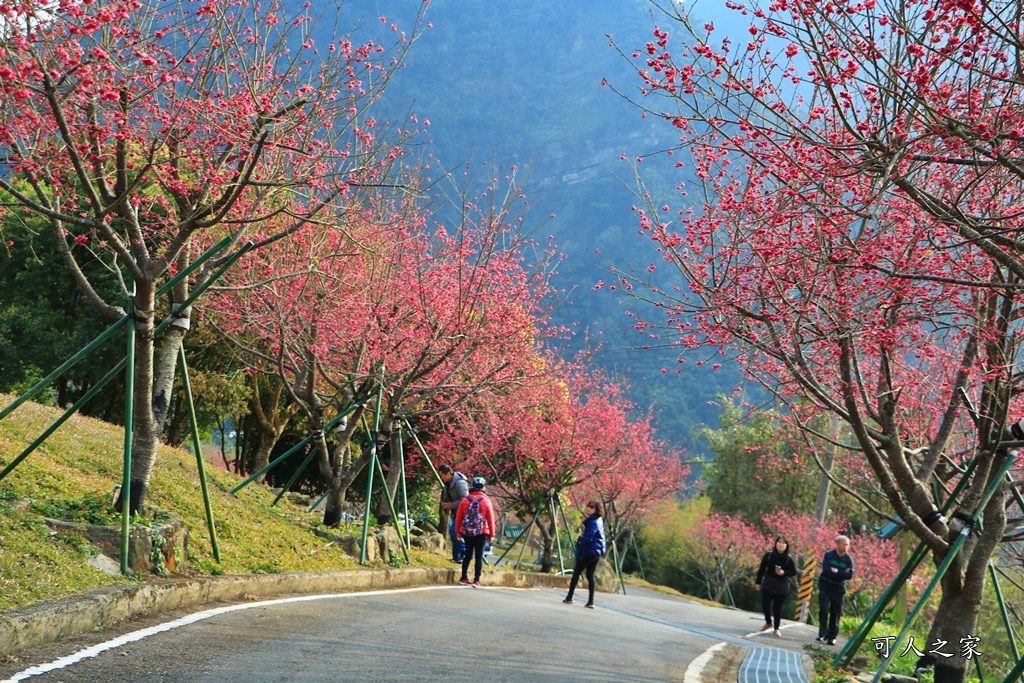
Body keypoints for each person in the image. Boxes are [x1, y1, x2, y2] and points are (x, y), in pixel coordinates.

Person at [563, 500, 606, 609]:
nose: (588, 508)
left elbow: (588, 538)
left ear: (596, 509)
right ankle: (591, 601)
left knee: (577, 572)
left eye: (591, 507)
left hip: (589, 551)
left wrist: (580, 538)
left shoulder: (592, 522)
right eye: (588, 506)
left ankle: (569, 597)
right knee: (590, 575)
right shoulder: (598, 520)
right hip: (596, 552)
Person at [456, 477, 497, 587]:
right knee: (479, 556)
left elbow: (459, 517)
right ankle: (476, 580)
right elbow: (490, 519)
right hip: (481, 532)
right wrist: (491, 534)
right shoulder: (486, 501)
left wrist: (458, 532)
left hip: (467, 532)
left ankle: (463, 577)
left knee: (468, 554)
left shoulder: (465, 500)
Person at [755, 536, 797, 636]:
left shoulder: (789, 558)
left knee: (777, 607)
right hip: (768, 583)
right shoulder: (769, 555)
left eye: (783, 543)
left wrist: (784, 573)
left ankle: (776, 628)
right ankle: (768, 622)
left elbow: (794, 571)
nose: (781, 545)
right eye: (779, 542)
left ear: (786, 546)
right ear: (775, 543)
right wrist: (758, 582)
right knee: (765, 604)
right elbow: (762, 569)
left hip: (781, 586)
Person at [816, 535, 855, 646]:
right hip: (825, 586)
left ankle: (832, 637)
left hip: (838, 589)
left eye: (848, 545)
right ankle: (822, 633)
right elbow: (826, 570)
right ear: (837, 544)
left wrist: (837, 571)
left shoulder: (848, 560)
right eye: (844, 544)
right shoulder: (829, 555)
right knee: (824, 609)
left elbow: (849, 575)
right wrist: (842, 572)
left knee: (835, 613)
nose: (846, 547)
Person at [439, 464, 469, 563]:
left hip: (464, 512)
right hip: (456, 511)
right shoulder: (448, 483)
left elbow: (465, 500)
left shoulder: (460, 483)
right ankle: (456, 557)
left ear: (447, 474)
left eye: (442, 475)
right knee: (454, 534)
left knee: (454, 531)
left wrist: (451, 505)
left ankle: (465, 552)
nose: (441, 478)